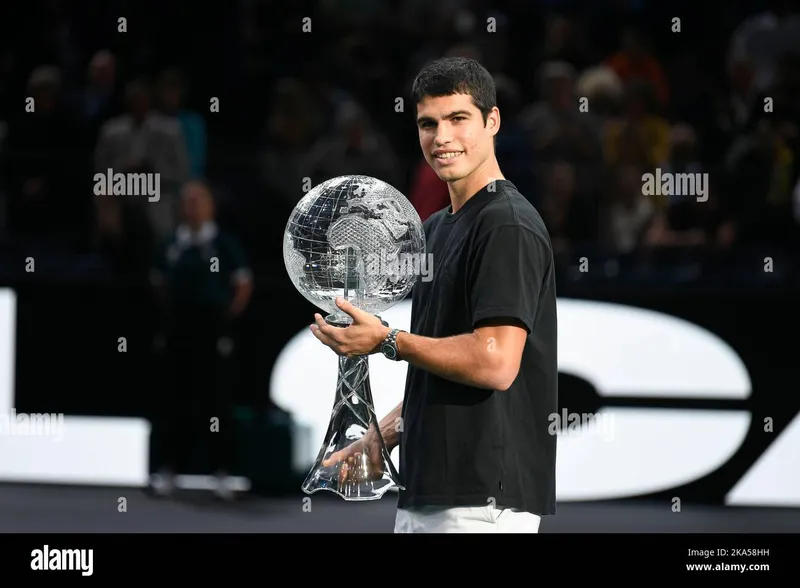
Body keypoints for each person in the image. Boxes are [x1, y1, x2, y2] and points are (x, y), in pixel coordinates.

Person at [310, 57, 558, 533]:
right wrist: (377, 440)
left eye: (458, 119)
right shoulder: (435, 229)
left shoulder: (506, 224)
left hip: (481, 502)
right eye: (428, 123)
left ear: (493, 121)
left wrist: (386, 341)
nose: (441, 136)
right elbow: (440, 371)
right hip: (430, 493)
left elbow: (495, 363)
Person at [149, 179, 253, 500]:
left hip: (214, 333)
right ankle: (168, 469)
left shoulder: (224, 244)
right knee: (173, 399)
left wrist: (224, 320)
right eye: (188, 200)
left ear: (211, 205)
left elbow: (243, 285)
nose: (193, 205)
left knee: (217, 403)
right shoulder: (171, 244)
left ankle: (221, 472)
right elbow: (159, 284)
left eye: (199, 199)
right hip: (178, 332)